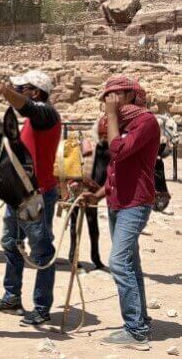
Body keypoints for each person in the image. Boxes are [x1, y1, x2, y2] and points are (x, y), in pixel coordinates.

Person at [83, 76, 159, 351]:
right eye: (107, 97)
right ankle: (141, 320)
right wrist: (98, 194)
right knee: (131, 265)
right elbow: (117, 171)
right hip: (118, 202)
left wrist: (112, 116)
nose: (109, 101)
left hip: (135, 204)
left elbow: (118, 152)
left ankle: (135, 331)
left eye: (116, 95)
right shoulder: (123, 125)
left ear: (130, 96)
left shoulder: (145, 122)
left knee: (118, 262)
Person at [0, 70, 62, 326]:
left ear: (37, 92)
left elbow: (26, 107)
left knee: (41, 250)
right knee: (11, 242)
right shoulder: (33, 119)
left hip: (36, 197)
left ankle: (41, 307)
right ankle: (12, 296)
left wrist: (5, 91)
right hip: (21, 195)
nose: (18, 92)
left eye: (22, 88)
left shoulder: (46, 114)